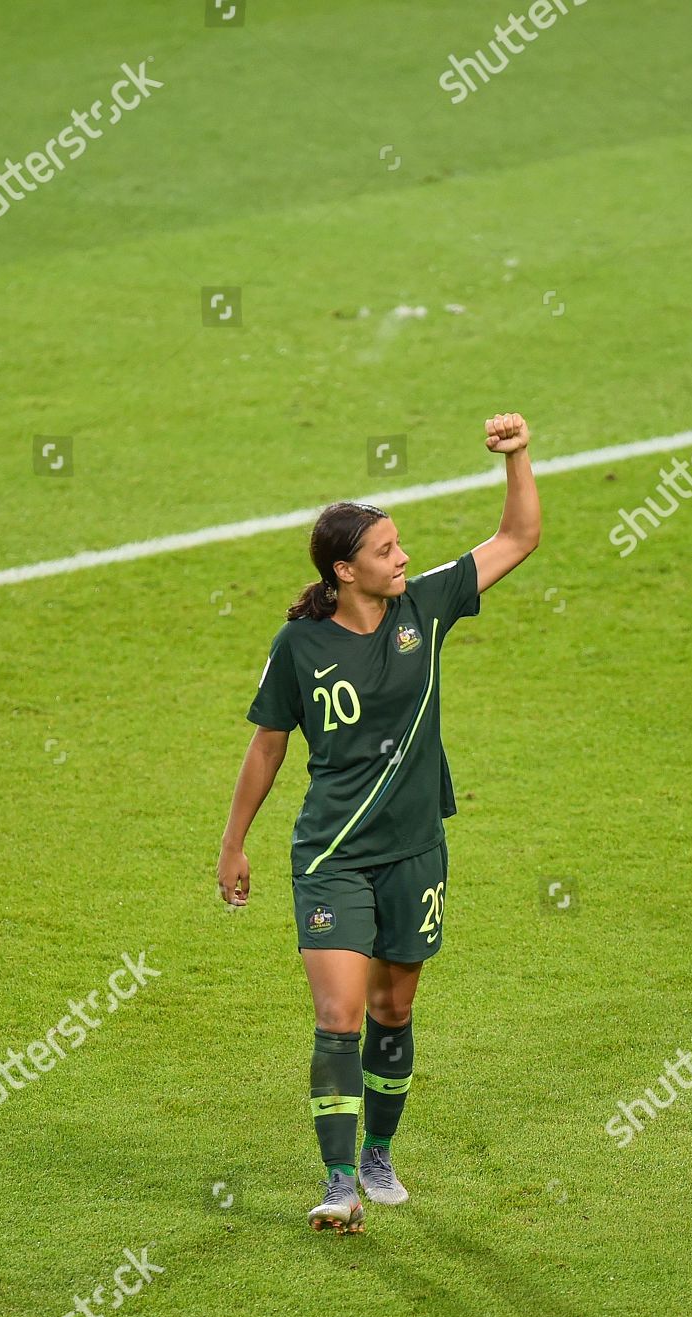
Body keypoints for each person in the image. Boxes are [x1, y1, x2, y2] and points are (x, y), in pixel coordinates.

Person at [217, 412, 541, 1233]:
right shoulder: (299, 646)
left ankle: (378, 1156)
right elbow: (267, 748)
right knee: (341, 1015)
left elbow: (518, 537)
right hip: (329, 854)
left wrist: (519, 457)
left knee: (394, 1009)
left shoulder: (422, 607)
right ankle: (337, 1185)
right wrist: (233, 843)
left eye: (400, 547)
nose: (403, 558)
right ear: (344, 569)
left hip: (414, 852)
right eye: (387, 550)